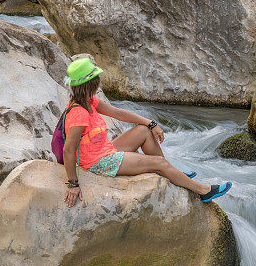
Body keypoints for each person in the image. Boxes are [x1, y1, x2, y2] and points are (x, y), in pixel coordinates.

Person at [61, 57, 232, 207]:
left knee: (143, 131)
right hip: (98, 162)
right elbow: (68, 150)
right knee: (158, 163)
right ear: (91, 83)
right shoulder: (79, 113)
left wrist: (150, 123)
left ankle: (173, 174)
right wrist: (73, 184)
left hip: (102, 150)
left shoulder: (89, 101)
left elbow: (117, 113)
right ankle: (203, 191)